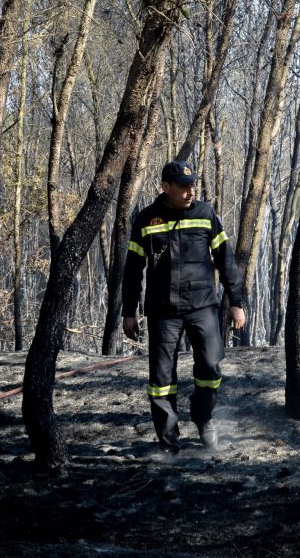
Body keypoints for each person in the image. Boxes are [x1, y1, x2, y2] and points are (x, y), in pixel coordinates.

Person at [122, 160, 246, 456]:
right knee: (162, 380)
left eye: (193, 185)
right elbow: (132, 269)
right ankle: (169, 443)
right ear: (165, 188)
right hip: (162, 310)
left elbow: (225, 260)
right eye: (184, 186)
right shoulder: (146, 219)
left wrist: (236, 302)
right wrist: (129, 310)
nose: (192, 191)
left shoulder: (205, 215)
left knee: (211, 366)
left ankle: (204, 417)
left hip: (202, 306)